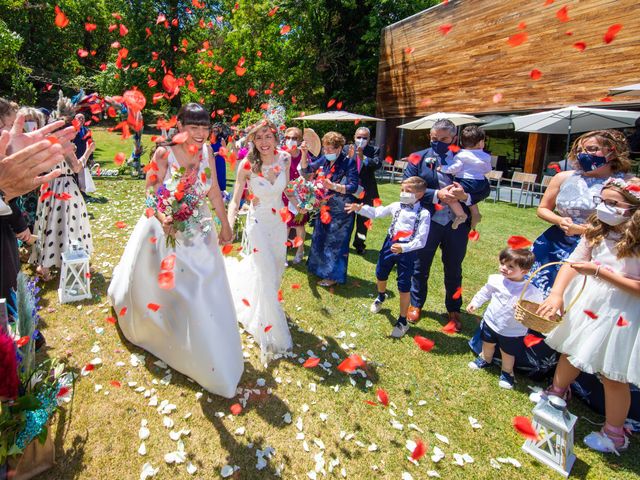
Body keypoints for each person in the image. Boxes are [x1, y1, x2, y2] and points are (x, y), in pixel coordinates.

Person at [108, 103, 243, 398]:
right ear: (180, 126)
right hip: (166, 231)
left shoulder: (208, 152)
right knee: (172, 289)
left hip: (200, 230)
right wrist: (162, 217)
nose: (200, 133)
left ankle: (208, 343)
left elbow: (215, 190)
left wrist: (225, 224)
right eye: (193, 127)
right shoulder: (163, 153)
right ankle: (169, 333)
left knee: (204, 284)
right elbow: (150, 193)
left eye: (205, 127)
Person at [535, 177, 640, 454]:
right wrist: (557, 293)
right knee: (571, 348)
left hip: (623, 310)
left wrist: (600, 272)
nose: (604, 207)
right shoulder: (598, 230)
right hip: (589, 302)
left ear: (633, 208)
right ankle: (556, 393)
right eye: (602, 201)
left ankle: (614, 433)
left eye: (612, 203)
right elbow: (573, 261)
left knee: (613, 373)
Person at [530, 130, 632, 297]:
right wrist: (559, 220)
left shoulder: (627, 183)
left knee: (576, 296)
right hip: (555, 243)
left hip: (599, 247)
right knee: (536, 292)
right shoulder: (563, 177)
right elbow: (542, 209)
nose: (584, 154)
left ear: (613, 151)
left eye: (591, 149)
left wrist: (586, 230)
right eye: (579, 150)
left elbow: (632, 221)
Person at [226, 120, 295, 362]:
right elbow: (235, 200)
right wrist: (228, 223)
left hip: (279, 224)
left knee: (276, 272)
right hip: (257, 224)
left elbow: (288, 189)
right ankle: (270, 334)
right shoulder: (246, 165)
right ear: (253, 141)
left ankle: (260, 309)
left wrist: (304, 199)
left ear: (276, 138)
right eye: (259, 138)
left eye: (268, 136)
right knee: (266, 273)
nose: (264, 142)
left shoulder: (285, 158)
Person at [403, 119, 478, 331]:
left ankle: (453, 309)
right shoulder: (418, 157)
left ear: (454, 138)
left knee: (454, 267)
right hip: (428, 221)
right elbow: (406, 188)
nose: (438, 142)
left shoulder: (466, 157)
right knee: (420, 264)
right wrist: (436, 194)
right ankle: (416, 303)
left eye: (443, 139)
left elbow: (483, 187)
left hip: (457, 223)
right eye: (434, 138)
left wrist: (466, 195)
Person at [345, 176, 430, 338]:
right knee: (380, 273)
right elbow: (377, 212)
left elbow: (421, 239)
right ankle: (381, 296)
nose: (403, 193)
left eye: (408, 191)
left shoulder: (423, 214)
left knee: (404, 285)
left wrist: (404, 248)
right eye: (402, 190)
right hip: (389, 244)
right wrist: (360, 208)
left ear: (419, 194)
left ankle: (402, 320)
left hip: (407, 251)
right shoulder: (396, 206)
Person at [466, 248, 543, 390]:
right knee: (487, 343)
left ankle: (507, 372)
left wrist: (525, 309)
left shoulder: (530, 291)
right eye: (502, 264)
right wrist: (475, 303)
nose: (504, 268)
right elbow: (485, 292)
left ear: (524, 272)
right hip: (491, 321)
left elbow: (536, 309)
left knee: (508, 353)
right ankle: (485, 359)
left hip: (512, 330)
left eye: (510, 267)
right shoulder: (496, 280)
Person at [302, 132, 359, 287]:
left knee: (335, 243)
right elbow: (307, 171)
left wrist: (333, 186)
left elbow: (353, 186)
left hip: (342, 209)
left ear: (340, 148)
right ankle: (318, 269)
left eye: (330, 149)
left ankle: (332, 276)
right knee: (320, 238)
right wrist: (304, 153)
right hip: (325, 207)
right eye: (325, 149)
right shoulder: (325, 160)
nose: (326, 152)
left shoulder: (349, 163)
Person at [438, 125, 491, 230]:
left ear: (461, 143)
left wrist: (443, 168)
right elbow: (488, 169)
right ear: (481, 143)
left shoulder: (461, 155)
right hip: (480, 182)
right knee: (468, 196)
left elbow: (455, 168)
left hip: (465, 180)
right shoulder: (486, 156)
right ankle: (475, 213)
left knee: (451, 195)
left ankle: (461, 215)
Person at [346, 127, 382, 254]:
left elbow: (377, 165)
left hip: (366, 190)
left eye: (364, 137)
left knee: (363, 220)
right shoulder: (347, 148)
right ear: (354, 137)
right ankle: (344, 243)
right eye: (359, 137)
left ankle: (360, 244)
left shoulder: (374, 150)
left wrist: (364, 158)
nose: (361, 140)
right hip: (349, 188)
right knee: (346, 217)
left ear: (369, 139)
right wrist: (348, 158)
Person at [282, 126, 312, 264]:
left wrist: (304, 153)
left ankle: (300, 251)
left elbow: (307, 173)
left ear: (300, 140)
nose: (290, 141)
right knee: (285, 225)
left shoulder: (303, 154)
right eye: (288, 138)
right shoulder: (281, 153)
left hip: (300, 194)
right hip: (284, 193)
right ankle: (283, 253)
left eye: (294, 138)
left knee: (299, 225)